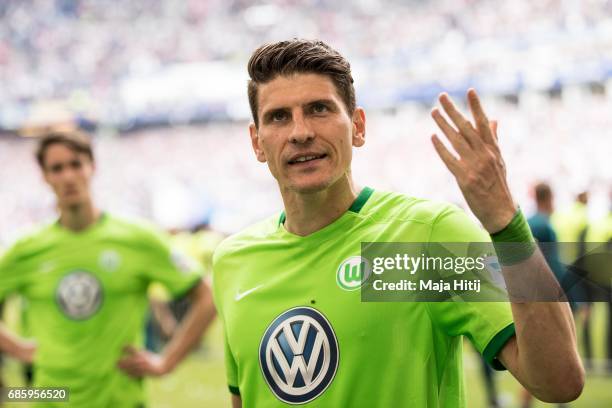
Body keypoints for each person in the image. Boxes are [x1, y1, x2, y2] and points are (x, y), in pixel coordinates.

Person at [212, 39, 584, 407]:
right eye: (279, 116)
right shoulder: (234, 262)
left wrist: (507, 224)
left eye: (319, 109)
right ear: (257, 143)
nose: (300, 132)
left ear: (357, 126)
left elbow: (558, 382)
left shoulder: (428, 237)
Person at [0, 130, 217, 407]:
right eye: (56, 168)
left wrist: (166, 362)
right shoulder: (27, 249)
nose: (68, 176)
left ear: (92, 167)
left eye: (75, 164)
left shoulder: (137, 239)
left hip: (121, 400)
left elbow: (206, 297)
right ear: (45, 176)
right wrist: (17, 348)